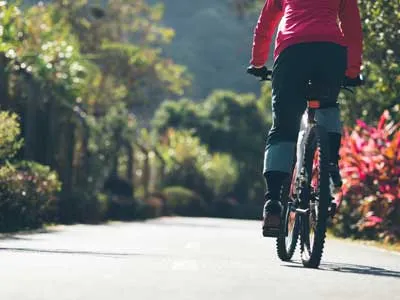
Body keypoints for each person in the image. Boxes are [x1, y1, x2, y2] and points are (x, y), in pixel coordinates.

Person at [246, 0, 363, 237]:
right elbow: (352, 27)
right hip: (331, 52)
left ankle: (273, 204)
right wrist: (352, 71)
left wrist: (258, 63)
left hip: (292, 52)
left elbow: (266, 24)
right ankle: (330, 167)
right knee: (328, 105)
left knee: (283, 130)